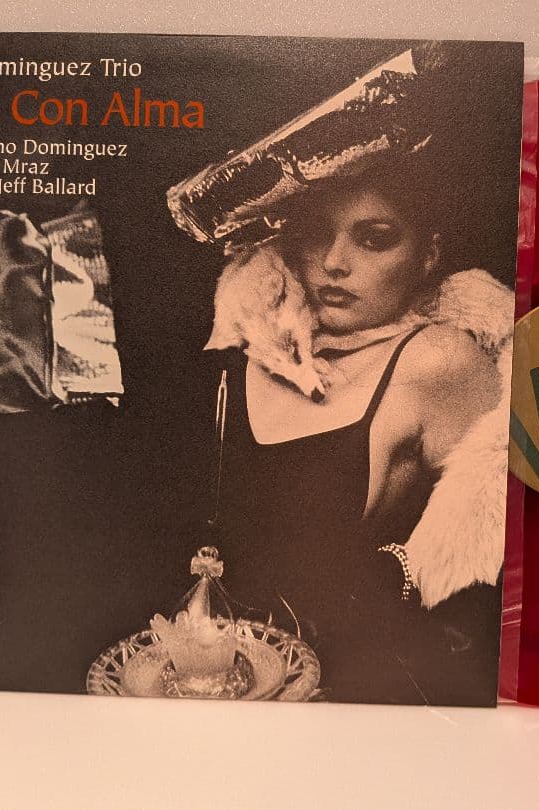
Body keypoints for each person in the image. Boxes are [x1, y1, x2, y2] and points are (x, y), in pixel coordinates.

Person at [204, 163, 515, 705]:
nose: (334, 262)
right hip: (224, 683)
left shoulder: (438, 360)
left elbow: (478, 586)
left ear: (428, 254)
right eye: (315, 234)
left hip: (353, 698)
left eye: (374, 240)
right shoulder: (252, 352)